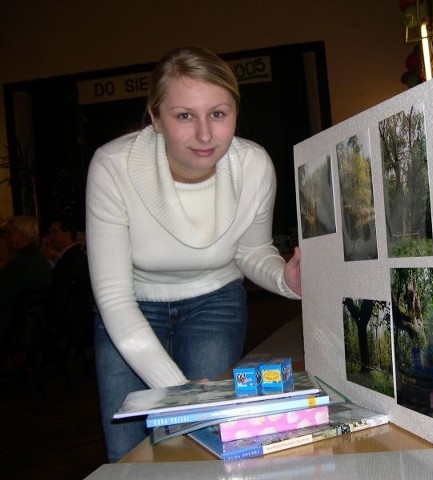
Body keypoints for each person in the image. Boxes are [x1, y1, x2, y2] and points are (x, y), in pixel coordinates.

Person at [85, 46, 302, 462]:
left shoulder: (254, 165)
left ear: (235, 113)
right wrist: (180, 392)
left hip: (214, 304)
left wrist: (284, 279)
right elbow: (113, 298)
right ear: (155, 118)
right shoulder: (112, 167)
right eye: (184, 116)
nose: (205, 135)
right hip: (130, 312)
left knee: (205, 450)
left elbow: (252, 249)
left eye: (218, 114)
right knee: (131, 460)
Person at [0, 216, 52, 353]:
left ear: (22, 236)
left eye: (9, 232)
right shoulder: (38, 257)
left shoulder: (19, 263)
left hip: (18, 326)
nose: (6, 237)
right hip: (35, 323)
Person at [46, 218, 93, 340]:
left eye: (54, 232)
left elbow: (59, 296)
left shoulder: (69, 261)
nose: (50, 236)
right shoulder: (76, 255)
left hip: (70, 322)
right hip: (79, 320)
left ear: (67, 235)